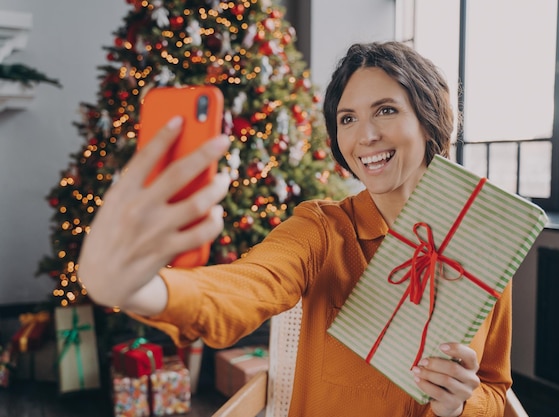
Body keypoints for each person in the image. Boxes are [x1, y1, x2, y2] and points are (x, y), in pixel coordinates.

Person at [78, 41, 512, 417]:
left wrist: (459, 405)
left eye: (386, 110)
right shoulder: (323, 230)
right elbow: (249, 284)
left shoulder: (485, 247)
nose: (366, 136)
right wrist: (137, 288)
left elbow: (495, 391)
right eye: (347, 119)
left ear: (428, 118)